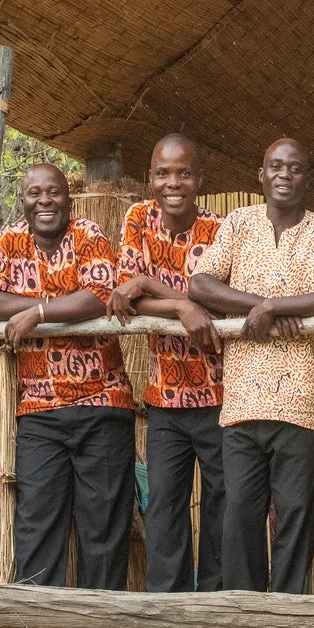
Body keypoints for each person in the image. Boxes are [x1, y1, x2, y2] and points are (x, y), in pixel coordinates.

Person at [189, 137, 314, 594]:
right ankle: (247, 612)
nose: (285, 175)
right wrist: (259, 306)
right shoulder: (239, 224)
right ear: (260, 176)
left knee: (297, 512)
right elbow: (200, 284)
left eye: (296, 168)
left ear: (308, 179)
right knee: (240, 510)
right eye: (276, 167)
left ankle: (287, 613)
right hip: (242, 401)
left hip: (300, 403)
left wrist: (275, 306)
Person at [0, 163, 133, 590]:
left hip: (102, 402)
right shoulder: (9, 242)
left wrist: (38, 314)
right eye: (34, 193)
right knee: (37, 524)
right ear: (23, 199)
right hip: (39, 410)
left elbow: (101, 295)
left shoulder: (89, 235)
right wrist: (52, 303)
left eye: (54, 193)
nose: (45, 201)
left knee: (103, 528)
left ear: (69, 197)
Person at [108, 134, 226, 593]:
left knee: (223, 501)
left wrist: (150, 286)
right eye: (162, 173)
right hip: (164, 397)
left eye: (183, 173)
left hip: (219, 395)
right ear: (150, 178)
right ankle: (168, 610)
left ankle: (215, 606)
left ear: (200, 179)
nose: (172, 182)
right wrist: (181, 306)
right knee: (165, 506)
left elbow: (220, 305)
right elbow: (123, 301)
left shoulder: (222, 229)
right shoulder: (138, 219)